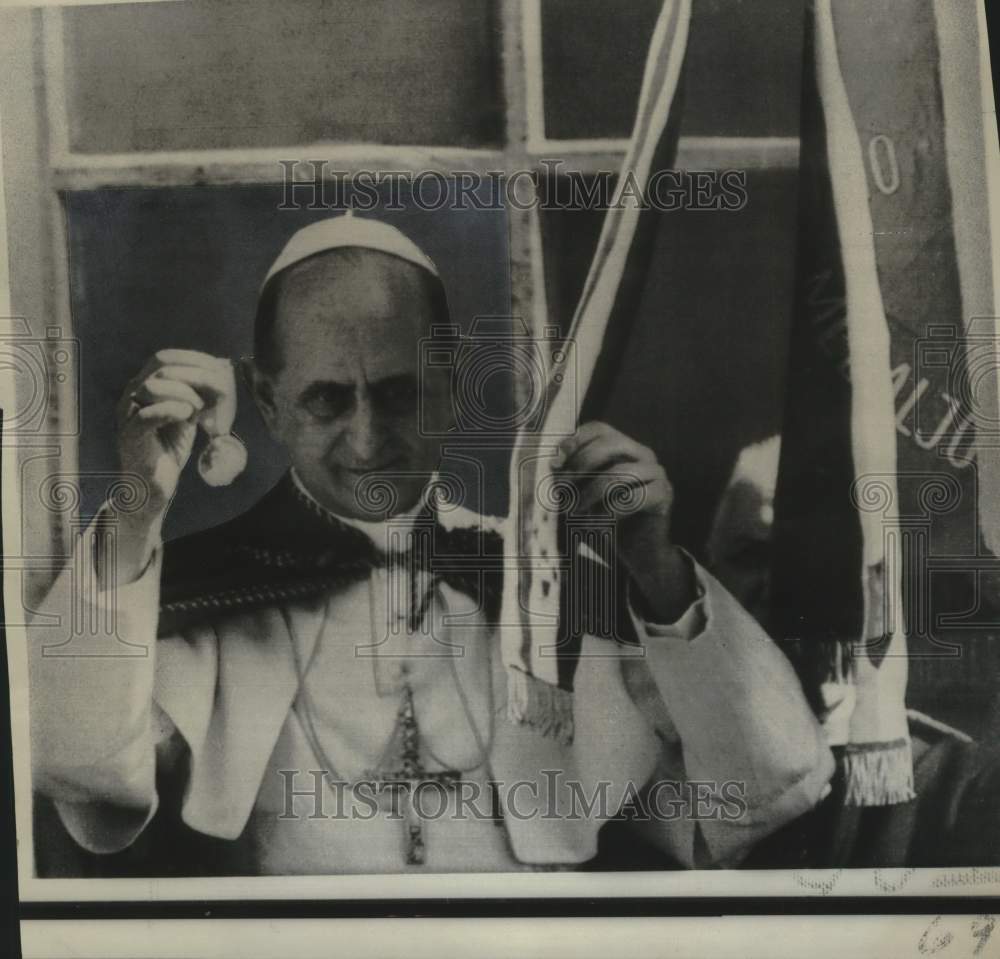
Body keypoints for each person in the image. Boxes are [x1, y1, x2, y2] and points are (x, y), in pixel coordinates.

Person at [28, 216, 834, 876]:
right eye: (326, 400)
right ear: (269, 404)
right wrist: (136, 512)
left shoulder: (545, 585)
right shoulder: (206, 595)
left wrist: (658, 568)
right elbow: (75, 763)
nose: (367, 438)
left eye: (398, 392)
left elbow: (763, 789)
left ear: (449, 386)